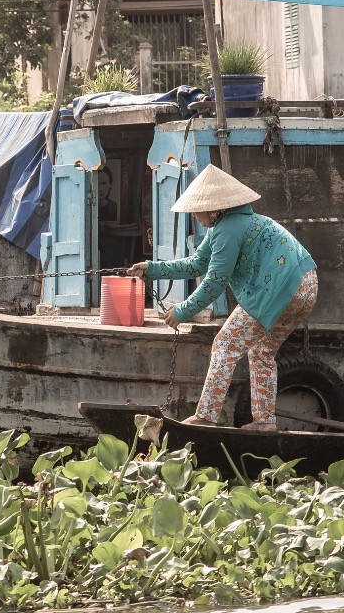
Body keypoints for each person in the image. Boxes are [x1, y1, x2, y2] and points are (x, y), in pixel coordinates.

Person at [127, 164, 317, 431]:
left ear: (213, 208)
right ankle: (264, 423)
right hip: (306, 287)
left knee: (225, 344)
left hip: (278, 288)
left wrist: (181, 310)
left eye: (197, 209)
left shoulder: (228, 230)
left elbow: (215, 282)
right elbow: (196, 264)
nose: (194, 214)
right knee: (262, 351)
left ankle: (206, 416)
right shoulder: (227, 226)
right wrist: (153, 269)